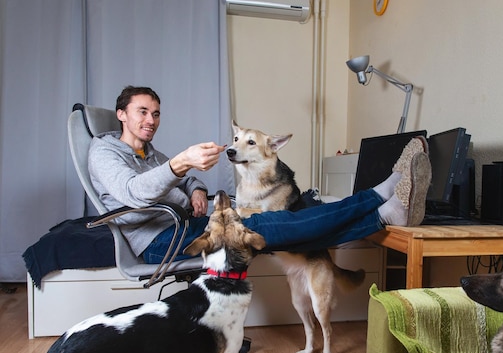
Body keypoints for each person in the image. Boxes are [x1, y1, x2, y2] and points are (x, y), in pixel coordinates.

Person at [88, 86, 431, 264]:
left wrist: (193, 187)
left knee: (288, 234)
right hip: (160, 243)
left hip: (189, 226)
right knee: (269, 224)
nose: (151, 119)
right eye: (142, 112)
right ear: (121, 114)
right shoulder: (103, 152)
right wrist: (182, 163)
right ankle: (377, 200)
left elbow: (182, 178)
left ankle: (384, 213)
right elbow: (134, 192)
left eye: (156, 113)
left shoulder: (150, 153)